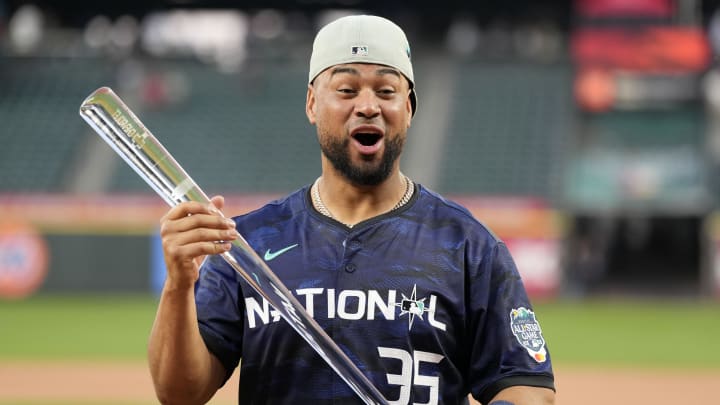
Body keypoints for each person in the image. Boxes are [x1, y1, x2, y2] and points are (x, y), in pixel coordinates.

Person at [148, 14, 556, 405]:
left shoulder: (469, 247)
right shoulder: (247, 245)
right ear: (312, 104)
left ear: (409, 108)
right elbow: (179, 393)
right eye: (346, 90)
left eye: (386, 90)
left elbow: (528, 389)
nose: (367, 106)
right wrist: (179, 285)